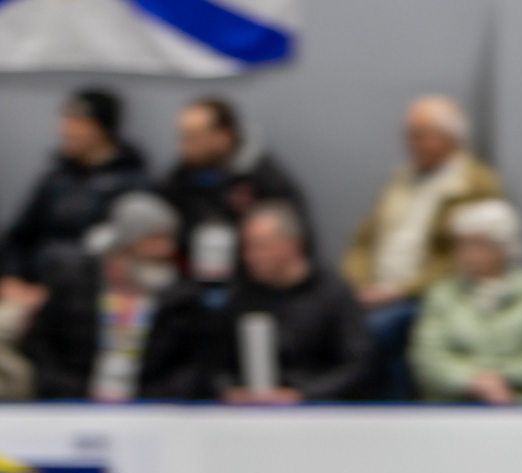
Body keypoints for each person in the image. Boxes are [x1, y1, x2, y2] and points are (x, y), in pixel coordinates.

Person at [341, 95, 503, 399]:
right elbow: (364, 240)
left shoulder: (475, 184)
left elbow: (460, 258)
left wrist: (401, 290)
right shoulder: (401, 178)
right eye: (408, 135)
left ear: (449, 138)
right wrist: (358, 283)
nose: (410, 144)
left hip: (430, 296)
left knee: (375, 329)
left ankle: (394, 415)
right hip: (375, 291)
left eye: (419, 135)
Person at [21, 192, 204, 402]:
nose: (165, 249)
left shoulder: (180, 295)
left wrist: (148, 398)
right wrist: (72, 391)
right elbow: (40, 346)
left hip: (151, 407)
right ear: (126, 240)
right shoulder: (73, 283)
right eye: (154, 238)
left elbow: (193, 361)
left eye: (170, 238)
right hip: (72, 404)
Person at [210, 203, 371, 404]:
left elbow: (357, 365)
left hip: (317, 409)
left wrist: (303, 395)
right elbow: (216, 362)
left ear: (292, 245)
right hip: (247, 408)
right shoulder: (243, 296)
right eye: (246, 248)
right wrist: (229, 390)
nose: (250, 257)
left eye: (260, 246)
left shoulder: (333, 295)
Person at [410, 200, 522, 404]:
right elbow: (427, 358)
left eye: (477, 245)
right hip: (453, 405)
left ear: (502, 248)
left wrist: (503, 377)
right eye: (461, 245)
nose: (467, 254)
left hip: (520, 404)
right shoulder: (442, 295)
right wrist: (473, 382)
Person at [1, 89, 151, 290]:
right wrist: (11, 278)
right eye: (66, 120)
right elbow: (18, 238)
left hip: (94, 294)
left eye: (78, 122)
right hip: (33, 288)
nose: (66, 130)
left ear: (102, 128)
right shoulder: (55, 179)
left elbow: (132, 254)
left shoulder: (134, 184)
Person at [159, 97, 309, 288]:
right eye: (182, 136)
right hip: (190, 280)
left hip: (250, 286)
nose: (182, 147)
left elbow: (295, 241)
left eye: (193, 137)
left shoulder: (264, 180)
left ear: (224, 136)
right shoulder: (182, 174)